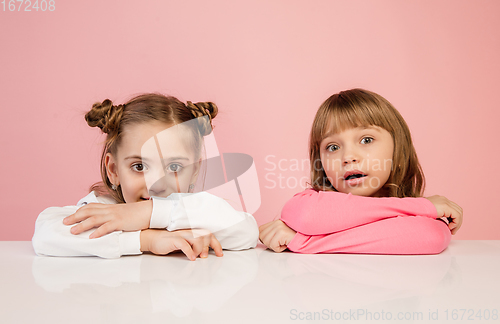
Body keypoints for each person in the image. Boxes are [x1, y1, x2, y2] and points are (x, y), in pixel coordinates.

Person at [33, 93, 259, 260]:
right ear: (113, 170)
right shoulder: (106, 207)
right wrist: (146, 240)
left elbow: (247, 231)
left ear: (194, 171)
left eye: (173, 167)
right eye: (139, 166)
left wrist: (150, 212)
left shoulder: (195, 210)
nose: (156, 185)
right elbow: (46, 234)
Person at [259, 88, 463, 254]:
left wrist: (304, 242)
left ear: (398, 151)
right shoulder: (312, 201)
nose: (348, 157)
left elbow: (428, 236)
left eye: (366, 140)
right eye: (333, 147)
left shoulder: (420, 218)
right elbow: (304, 214)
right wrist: (422, 206)